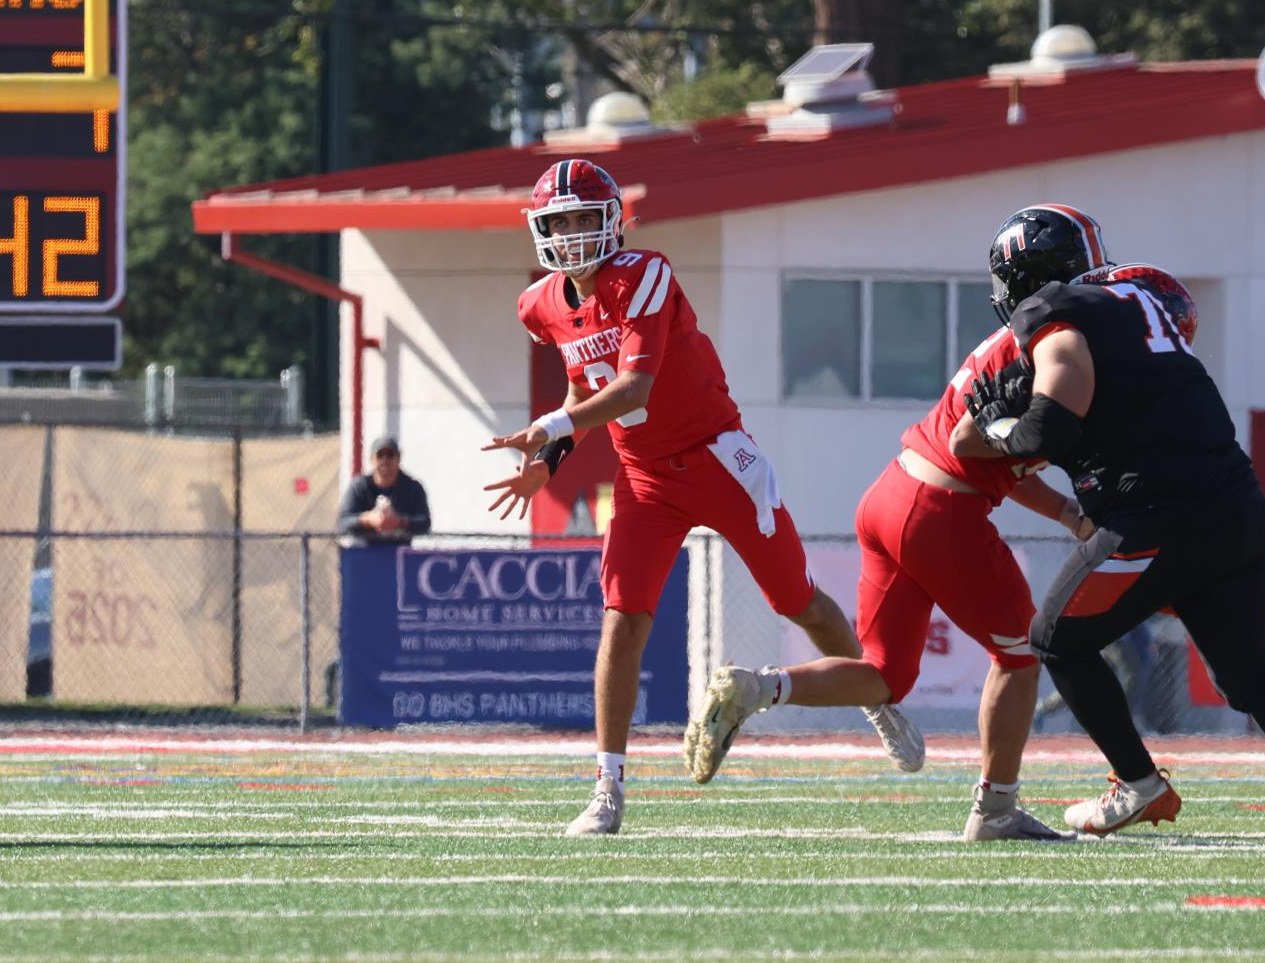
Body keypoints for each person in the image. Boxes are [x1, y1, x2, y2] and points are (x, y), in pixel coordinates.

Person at [482, 159, 909, 837]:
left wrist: (552, 428)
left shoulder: (642, 273)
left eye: (580, 219)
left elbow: (632, 390)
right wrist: (550, 462)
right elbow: (580, 387)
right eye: (556, 223)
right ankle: (607, 788)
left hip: (716, 459)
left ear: (610, 219)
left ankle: (876, 701)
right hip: (643, 478)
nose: (569, 234)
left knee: (797, 599)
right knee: (622, 618)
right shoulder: (540, 305)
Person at [953, 204, 1265, 846]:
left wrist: (1001, 428)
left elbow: (1052, 427)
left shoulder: (1055, 315)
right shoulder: (1138, 300)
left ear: (1026, 274)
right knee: (1249, 676)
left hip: (1157, 515)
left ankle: (1139, 784)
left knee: (1055, 638)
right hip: (1238, 505)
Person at [686, 261, 1130, 840]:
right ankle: (995, 810)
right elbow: (977, 444)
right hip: (944, 511)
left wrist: (1069, 514)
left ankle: (758, 686)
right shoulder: (1056, 353)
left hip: (892, 492)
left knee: (884, 675)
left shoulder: (1023, 340)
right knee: (1021, 657)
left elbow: (1003, 458)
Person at [336, 435, 430, 545]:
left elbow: (425, 522)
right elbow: (343, 521)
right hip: (365, 553)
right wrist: (368, 519)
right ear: (371, 459)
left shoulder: (412, 487)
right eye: (380, 455)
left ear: (398, 458)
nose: (384, 460)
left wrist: (399, 521)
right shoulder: (359, 487)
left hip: (400, 553)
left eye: (390, 455)